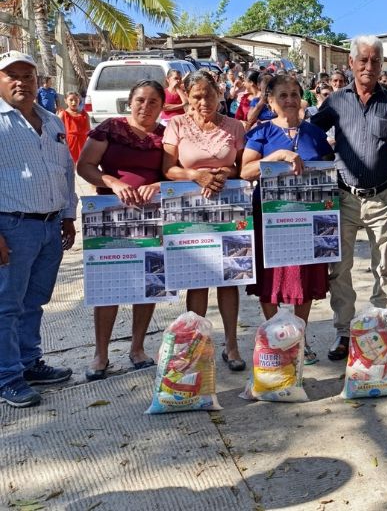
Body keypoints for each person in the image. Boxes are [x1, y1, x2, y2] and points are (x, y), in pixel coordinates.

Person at [310, 35, 387, 361]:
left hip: (382, 197)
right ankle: (343, 332)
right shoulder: (336, 102)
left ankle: (380, 327)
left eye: (375, 61)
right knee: (339, 268)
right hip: (344, 197)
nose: (368, 66)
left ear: (381, 65)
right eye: (363, 60)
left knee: (385, 268)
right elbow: (310, 134)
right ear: (351, 63)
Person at [76, 80, 167, 380]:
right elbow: (85, 166)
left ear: (162, 106)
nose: (146, 106)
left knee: (148, 283)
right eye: (140, 100)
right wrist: (112, 182)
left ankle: (137, 349)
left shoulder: (165, 136)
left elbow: (172, 173)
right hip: (110, 216)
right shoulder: (110, 128)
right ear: (130, 102)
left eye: (153, 102)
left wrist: (159, 185)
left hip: (152, 217)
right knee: (107, 286)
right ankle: (100, 355)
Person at [0, 51, 76, 408]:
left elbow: (66, 170)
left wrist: (68, 215)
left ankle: (29, 363)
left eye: (27, 76)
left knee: (34, 302)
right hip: (12, 226)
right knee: (6, 306)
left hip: (50, 227)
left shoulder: (52, 120)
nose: (21, 82)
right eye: (11, 75)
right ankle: (7, 377)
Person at [240, 75, 334, 365]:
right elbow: (245, 171)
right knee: (271, 278)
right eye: (283, 95)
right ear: (270, 101)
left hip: (307, 217)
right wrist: (278, 156)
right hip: (272, 218)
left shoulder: (314, 133)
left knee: (304, 277)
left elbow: (328, 168)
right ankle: (275, 337)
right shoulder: (262, 132)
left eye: (294, 94)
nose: (290, 100)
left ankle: (299, 339)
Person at [162, 70, 247, 370]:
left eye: (208, 95)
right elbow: (168, 169)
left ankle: (231, 346)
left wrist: (225, 172)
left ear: (219, 93)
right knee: (196, 281)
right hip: (191, 211)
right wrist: (195, 175)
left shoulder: (235, 126)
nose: (203, 102)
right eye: (196, 96)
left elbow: (240, 166)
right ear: (186, 96)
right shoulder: (176, 125)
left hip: (229, 209)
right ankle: (195, 347)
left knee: (229, 279)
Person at [58, 91, 89, 162]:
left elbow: (89, 132)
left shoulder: (85, 115)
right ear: (65, 100)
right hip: (69, 146)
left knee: (82, 165)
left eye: (76, 100)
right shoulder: (63, 114)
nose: (74, 102)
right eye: (71, 100)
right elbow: (57, 132)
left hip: (83, 145)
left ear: (79, 100)